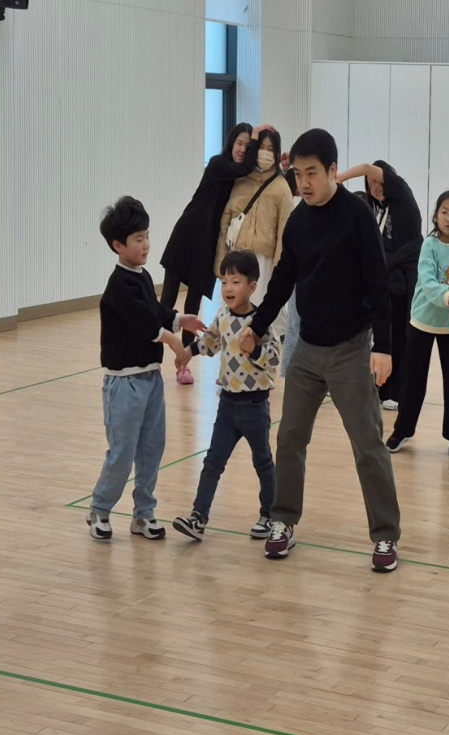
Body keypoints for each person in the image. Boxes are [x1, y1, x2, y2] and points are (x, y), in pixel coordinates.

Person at [238, 129, 402, 572]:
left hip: (351, 349)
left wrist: (383, 348)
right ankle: (284, 520)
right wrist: (256, 326)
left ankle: (386, 534)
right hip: (308, 349)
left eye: (312, 173)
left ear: (333, 171)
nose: (304, 182)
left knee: (367, 443)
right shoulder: (298, 221)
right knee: (290, 437)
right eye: (298, 174)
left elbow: (378, 284)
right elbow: (282, 282)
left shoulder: (357, 216)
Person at [87, 196, 198, 543]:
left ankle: (143, 514)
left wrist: (180, 319)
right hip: (124, 386)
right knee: (122, 453)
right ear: (117, 245)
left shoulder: (143, 276)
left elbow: (156, 312)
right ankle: (100, 510)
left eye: (147, 236)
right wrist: (174, 341)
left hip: (150, 380)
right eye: (138, 239)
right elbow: (145, 324)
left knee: (152, 449)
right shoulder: (118, 286)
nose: (146, 244)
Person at [173, 250, 281, 542]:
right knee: (213, 462)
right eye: (224, 282)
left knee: (263, 462)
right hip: (228, 406)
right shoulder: (222, 316)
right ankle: (198, 517)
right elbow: (209, 343)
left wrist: (255, 349)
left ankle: (269, 515)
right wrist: (188, 352)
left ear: (252, 286)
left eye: (235, 281)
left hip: (255, 406)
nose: (228, 288)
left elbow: (273, 357)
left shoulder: (260, 321)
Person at [160, 123, 252, 384]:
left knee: (193, 304)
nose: (243, 149)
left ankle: (182, 364)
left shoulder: (239, 178)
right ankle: (150, 354)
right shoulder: (218, 164)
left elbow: (256, 176)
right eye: (240, 143)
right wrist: (257, 138)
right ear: (231, 143)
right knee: (167, 300)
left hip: (208, 243)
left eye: (248, 146)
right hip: (188, 233)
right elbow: (246, 167)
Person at [386, 191, 449, 459]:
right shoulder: (429, 246)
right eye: (444, 212)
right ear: (436, 215)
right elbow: (427, 281)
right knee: (414, 380)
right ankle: (402, 430)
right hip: (422, 322)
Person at [339, 160, 422, 410]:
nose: (375, 187)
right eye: (371, 185)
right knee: (387, 334)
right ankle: (383, 387)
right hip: (391, 282)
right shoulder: (381, 210)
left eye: (378, 181)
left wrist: (339, 178)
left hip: (406, 281)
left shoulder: (401, 193)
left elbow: (367, 167)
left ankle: (397, 392)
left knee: (402, 337)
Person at [218, 126, 295, 297]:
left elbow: (284, 232)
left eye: (270, 149)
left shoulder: (282, 188)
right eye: (261, 147)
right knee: (233, 304)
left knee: (258, 304)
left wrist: (279, 268)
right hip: (235, 254)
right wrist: (220, 260)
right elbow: (225, 222)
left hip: (263, 260)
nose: (265, 153)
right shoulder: (240, 181)